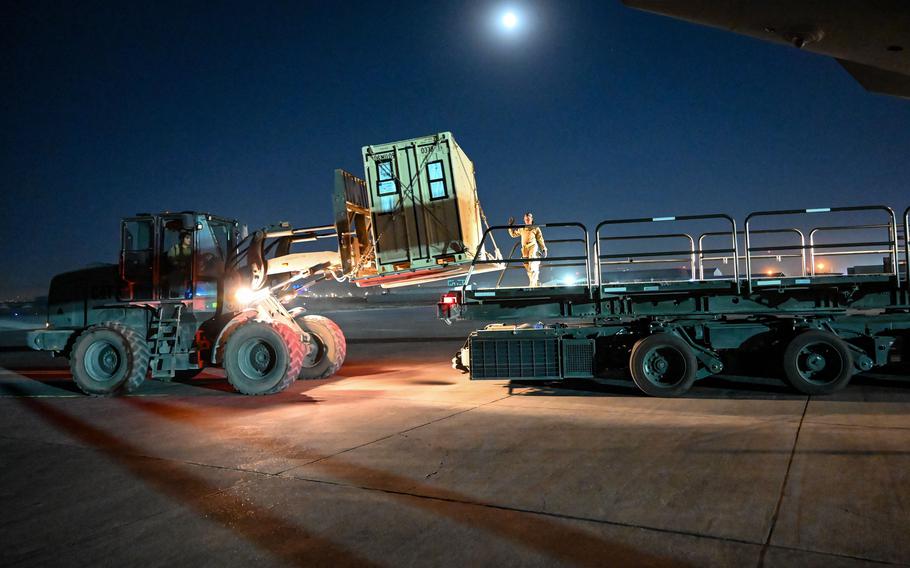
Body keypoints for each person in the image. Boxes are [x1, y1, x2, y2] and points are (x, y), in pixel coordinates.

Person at [508, 212, 547, 287]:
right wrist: (510, 226)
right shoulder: (522, 228)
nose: (527, 220)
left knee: (532, 264)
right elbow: (513, 234)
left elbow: (540, 239)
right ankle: (534, 282)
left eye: (528, 219)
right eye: (526, 219)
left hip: (533, 247)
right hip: (525, 248)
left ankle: (533, 284)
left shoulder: (535, 228)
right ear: (524, 220)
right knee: (527, 266)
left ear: (532, 219)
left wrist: (544, 249)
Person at [166, 231, 193, 297]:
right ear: (182, 239)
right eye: (187, 238)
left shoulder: (191, 250)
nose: (189, 240)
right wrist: (179, 264)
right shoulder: (175, 248)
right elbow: (170, 259)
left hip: (188, 275)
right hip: (176, 275)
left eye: (190, 238)